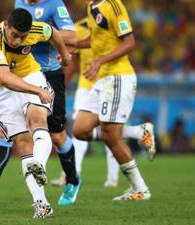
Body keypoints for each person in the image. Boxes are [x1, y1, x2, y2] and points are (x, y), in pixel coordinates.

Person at [0, 0, 81, 206]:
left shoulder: (37, 25)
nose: (18, 41)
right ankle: (41, 203)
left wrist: (65, 56)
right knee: (22, 144)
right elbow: (3, 77)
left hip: (31, 75)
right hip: (4, 88)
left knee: (38, 121)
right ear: (6, 26)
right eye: (14, 35)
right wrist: (38, 91)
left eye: (23, 37)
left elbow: (53, 33)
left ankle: (43, 167)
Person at [51, 17, 156, 188]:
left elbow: (125, 44)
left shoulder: (106, 19)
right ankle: (137, 133)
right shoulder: (81, 27)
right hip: (88, 86)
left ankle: (111, 178)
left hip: (111, 82)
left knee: (109, 131)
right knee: (84, 129)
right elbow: (75, 59)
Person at [73, 0, 154, 201]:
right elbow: (95, 40)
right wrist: (73, 46)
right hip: (102, 80)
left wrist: (99, 60)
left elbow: (129, 42)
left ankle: (140, 188)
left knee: (111, 136)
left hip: (118, 76)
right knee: (80, 129)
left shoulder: (113, 5)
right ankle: (138, 131)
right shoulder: (91, 6)